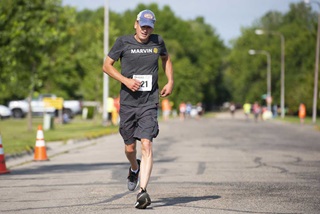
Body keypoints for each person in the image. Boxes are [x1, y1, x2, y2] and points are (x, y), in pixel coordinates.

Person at [102, 9, 174, 209]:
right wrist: (126, 80)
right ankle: (134, 168)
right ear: (136, 24)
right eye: (142, 25)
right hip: (128, 103)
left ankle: (143, 191)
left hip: (149, 103)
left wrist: (170, 81)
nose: (145, 29)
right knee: (130, 148)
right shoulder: (123, 42)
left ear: (153, 27)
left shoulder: (157, 42)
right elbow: (106, 66)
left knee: (147, 145)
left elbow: (166, 59)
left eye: (149, 26)